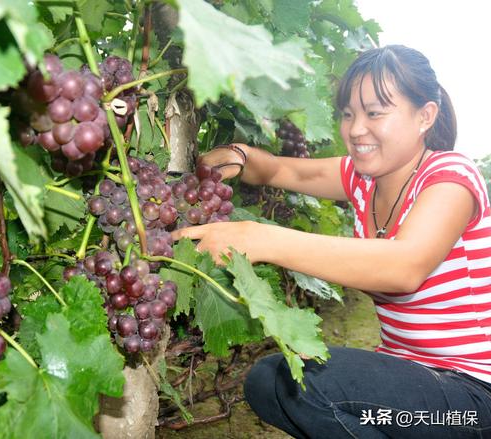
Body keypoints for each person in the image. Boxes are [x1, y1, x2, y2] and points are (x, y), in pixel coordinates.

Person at [171, 45, 491, 438]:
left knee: (316, 389)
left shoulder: (450, 176)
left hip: (473, 398)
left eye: (375, 113)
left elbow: (404, 266)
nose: (356, 129)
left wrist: (259, 239)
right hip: (412, 381)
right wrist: (237, 154)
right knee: (270, 383)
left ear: (425, 116)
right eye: (348, 114)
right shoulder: (361, 179)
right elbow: (280, 170)